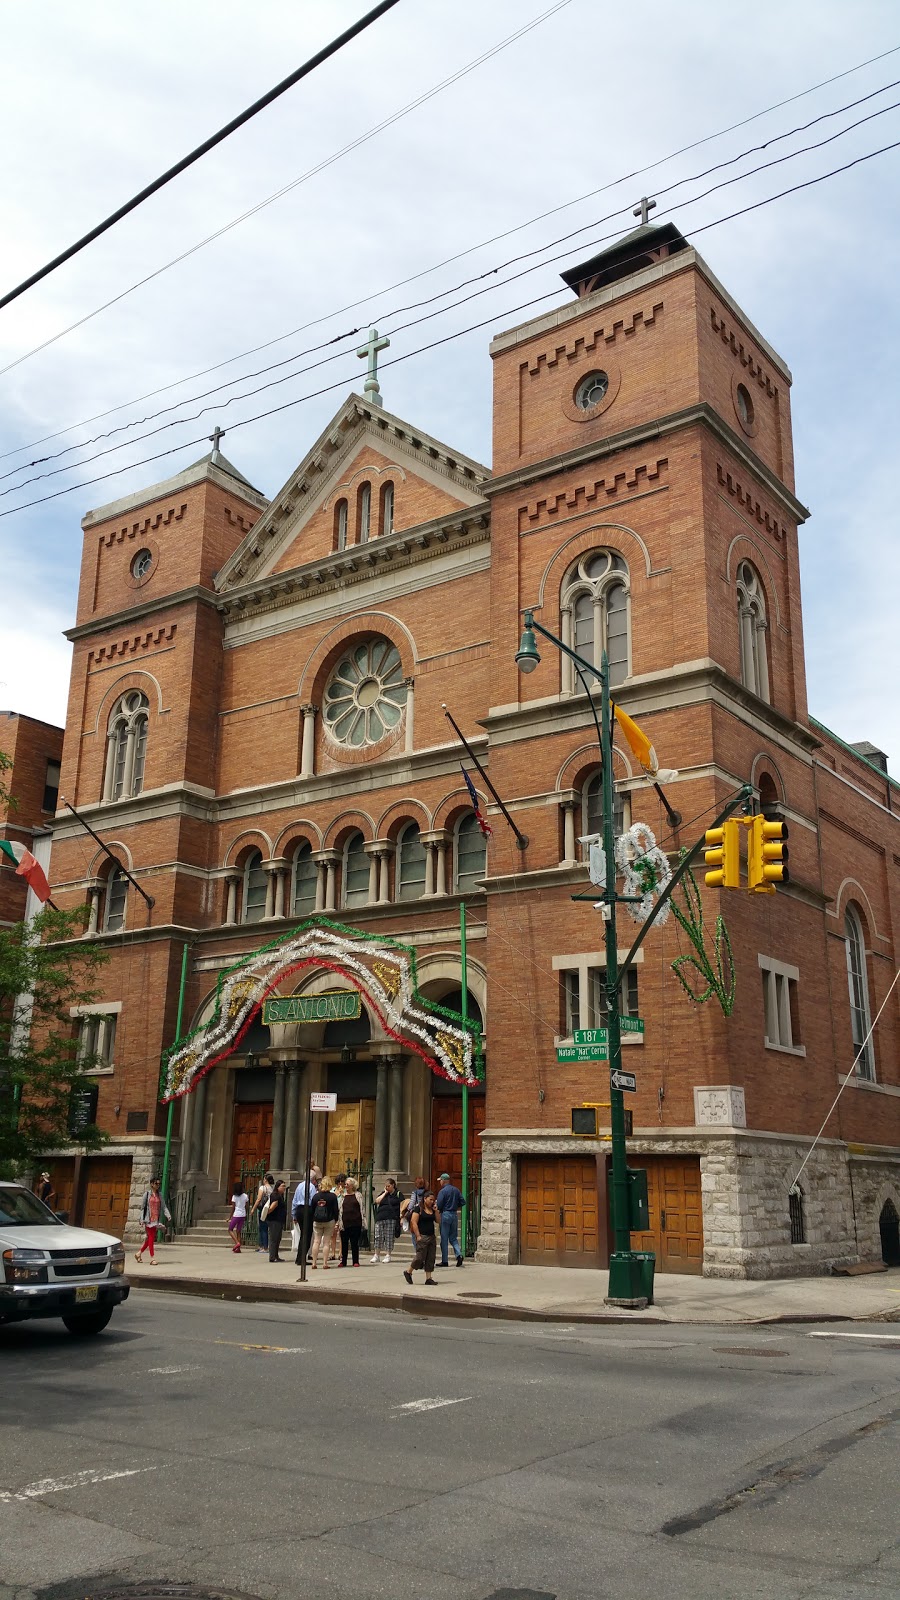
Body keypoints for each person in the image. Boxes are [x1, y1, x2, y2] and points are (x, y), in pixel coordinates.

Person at [403, 1190, 438, 1286]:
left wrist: (436, 1211)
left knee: (431, 1257)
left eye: (433, 1200)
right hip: (422, 1236)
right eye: (430, 1199)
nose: (432, 1201)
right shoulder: (418, 1209)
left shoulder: (432, 1209)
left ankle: (428, 1278)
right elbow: (414, 1222)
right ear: (425, 1199)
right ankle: (408, 1271)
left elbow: (438, 1220)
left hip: (431, 1236)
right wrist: (418, 1235)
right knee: (420, 1257)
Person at [135, 1177, 171, 1264]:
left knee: (150, 1238)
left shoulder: (160, 1195)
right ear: (152, 1184)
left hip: (156, 1219)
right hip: (148, 1219)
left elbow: (164, 1206)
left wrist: (168, 1215)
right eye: (156, 1184)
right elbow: (142, 1208)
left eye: (159, 1184)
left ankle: (138, 1253)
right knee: (151, 1237)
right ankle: (152, 1258)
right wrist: (141, 1219)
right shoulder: (147, 1194)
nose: (158, 1185)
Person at [436, 1171, 466, 1267]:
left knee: (444, 1238)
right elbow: (463, 1201)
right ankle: (459, 1254)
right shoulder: (456, 1190)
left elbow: (439, 1204)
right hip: (454, 1214)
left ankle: (445, 1260)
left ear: (444, 1181)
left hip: (445, 1214)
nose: (440, 1182)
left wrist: (440, 1209)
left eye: (440, 1180)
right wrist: (455, 1206)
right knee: (453, 1238)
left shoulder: (442, 1191)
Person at [310, 1176, 339, 1269]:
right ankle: (325, 1263)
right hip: (329, 1221)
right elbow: (336, 1210)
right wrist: (336, 1220)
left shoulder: (316, 1196)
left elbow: (312, 1209)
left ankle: (314, 1263)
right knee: (326, 1242)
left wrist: (313, 1218)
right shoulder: (332, 1196)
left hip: (317, 1221)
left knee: (316, 1241)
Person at [372, 1177, 404, 1264]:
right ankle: (376, 1255)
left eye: (388, 1186)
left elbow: (403, 1205)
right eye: (385, 1186)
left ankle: (388, 1255)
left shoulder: (398, 1194)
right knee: (378, 1236)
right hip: (380, 1217)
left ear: (393, 1185)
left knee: (389, 1237)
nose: (386, 1188)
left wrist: (402, 1218)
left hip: (391, 1218)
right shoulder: (384, 1193)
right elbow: (377, 1201)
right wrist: (385, 1193)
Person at [292, 1168, 318, 1265]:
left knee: (303, 1235)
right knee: (307, 1235)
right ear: (313, 1179)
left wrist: (294, 1214)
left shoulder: (299, 1186)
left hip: (299, 1210)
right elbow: (313, 1200)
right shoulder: (311, 1187)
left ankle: (299, 1258)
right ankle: (301, 1258)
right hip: (307, 1209)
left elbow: (294, 1200)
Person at [339, 1177, 363, 1267]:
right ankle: (343, 1261)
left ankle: (355, 1261)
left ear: (353, 1185)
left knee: (354, 1243)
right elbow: (340, 1209)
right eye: (345, 1184)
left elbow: (362, 1209)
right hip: (344, 1222)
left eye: (347, 1184)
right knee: (344, 1243)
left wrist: (363, 1221)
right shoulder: (343, 1195)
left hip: (355, 1222)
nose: (346, 1186)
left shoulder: (358, 1195)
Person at [251, 1171, 275, 1254]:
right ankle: (262, 1246)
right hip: (268, 1208)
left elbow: (258, 1199)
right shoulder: (271, 1189)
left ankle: (264, 1247)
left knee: (262, 1228)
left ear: (265, 1180)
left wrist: (253, 1209)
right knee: (264, 1227)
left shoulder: (262, 1188)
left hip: (262, 1209)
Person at [265, 1179, 287, 1262]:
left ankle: (276, 1255)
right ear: (278, 1187)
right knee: (274, 1238)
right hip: (274, 1220)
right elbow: (272, 1207)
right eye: (282, 1186)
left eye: (284, 1186)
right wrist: (267, 1213)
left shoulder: (280, 1195)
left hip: (279, 1220)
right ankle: (272, 1256)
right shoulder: (275, 1195)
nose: (284, 1188)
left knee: (278, 1238)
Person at [228, 1179, 249, 1252]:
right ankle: (238, 1249)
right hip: (243, 1214)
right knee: (238, 1231)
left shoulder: (234, 1196)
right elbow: (247, 1206)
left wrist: (230, 1217)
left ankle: (237, 1243)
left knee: (230, 1229)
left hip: (236, 1214)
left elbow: (233, 1207)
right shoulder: (245, 1196)